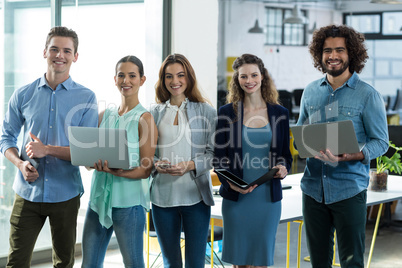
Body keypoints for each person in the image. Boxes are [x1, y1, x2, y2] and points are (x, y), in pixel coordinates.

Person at [0, 26, 98, 268]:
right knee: (16, 262)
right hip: (26, 192)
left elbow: (87, 152)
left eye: (67, 50)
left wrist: (47, 150)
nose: (59, 55)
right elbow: (6, 138)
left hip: (66, 194)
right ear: (45, 52)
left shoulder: (86, 98)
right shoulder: (23, 94)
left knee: (63, 263)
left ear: (75, 56)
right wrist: (20, 163)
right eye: (54, 49)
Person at [297, 24, 389, 268]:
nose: (333, 56)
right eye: (327, 50)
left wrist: (355, 154)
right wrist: (303, 147)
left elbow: (381, 142)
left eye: (340, 50)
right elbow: (301, 134)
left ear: (352, 54)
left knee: (351, 262)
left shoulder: (367, 95)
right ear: (320, 54)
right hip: (313, 189)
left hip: (349, 189)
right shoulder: (310, 92)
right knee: (318, 262)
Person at [214, 53, 292, 268]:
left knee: (260, 261)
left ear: (263, 76)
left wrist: (283, 168)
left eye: (254, 75)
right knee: (240, 263)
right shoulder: (226, 113)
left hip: (267, 199)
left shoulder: (280, 113)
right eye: (243, 76)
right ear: (237, 80)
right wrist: (230, 183)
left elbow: (285, 155)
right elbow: (219, 160)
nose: (249, 81)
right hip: (236, 199)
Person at [80, 55, 157, 268]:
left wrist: (117, 172)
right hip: (99, 200)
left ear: (142, 80)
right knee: (89, 264)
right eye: (121, 75)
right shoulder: (104, 115)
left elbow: (146, 168)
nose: (126, 81)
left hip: (129, 204)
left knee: (133, 263)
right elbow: (87, 159)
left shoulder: (145, 119)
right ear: (114, 79)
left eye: (132, 76)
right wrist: (91, 162)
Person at [150, 53, 216, 268]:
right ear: (163, 80)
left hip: (195, 197)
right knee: (171, 263)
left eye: (180, 75)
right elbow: (146, 154)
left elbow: (213, 153)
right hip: (162, 197)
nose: (175, 81)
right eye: (169, 76)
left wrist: (190, 165)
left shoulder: (206, 111)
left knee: (195, 263)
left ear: (189, 77)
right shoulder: (154, 113)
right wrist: (155, 163)